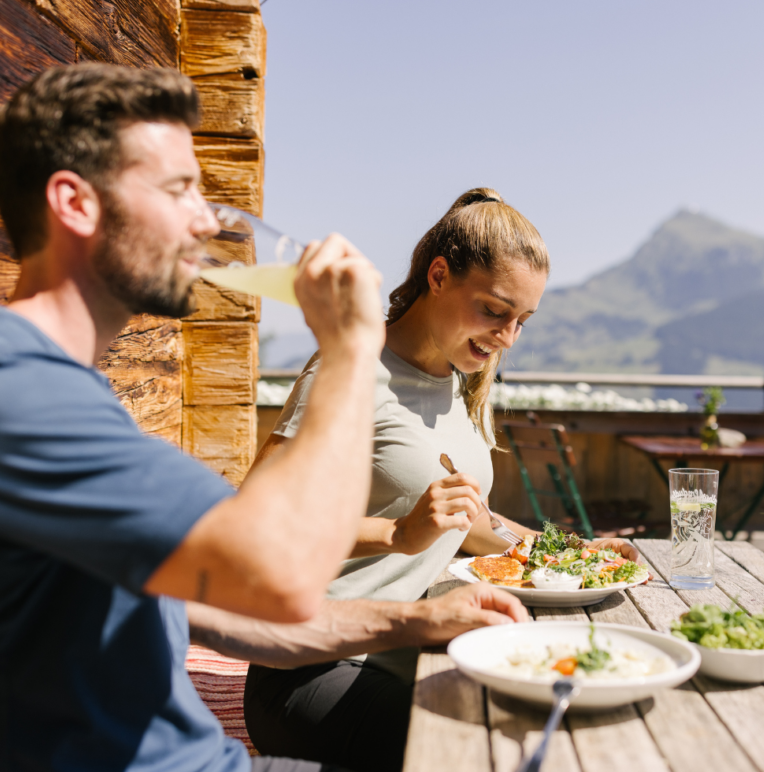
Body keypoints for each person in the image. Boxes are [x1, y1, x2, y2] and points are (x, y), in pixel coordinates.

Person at [0, 64, 526, 772]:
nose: (206, 218)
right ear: (76, 203)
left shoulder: (72, 393)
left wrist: (418, 618)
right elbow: (275, 571)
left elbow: (219, 608)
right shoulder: (21, 387)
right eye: (179, 189)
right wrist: (349, 350)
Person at [237, 188, 640, 769]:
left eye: (522, 320)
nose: (507, 337)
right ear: (438, 275)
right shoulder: (351, 367)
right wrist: (396, 531)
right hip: (314, 669)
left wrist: (573, 555)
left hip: (413, 653)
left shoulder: (461, 379)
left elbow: (466, 517)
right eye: (495, 311)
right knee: (484, 752)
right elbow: (253, 527)